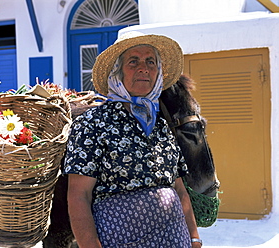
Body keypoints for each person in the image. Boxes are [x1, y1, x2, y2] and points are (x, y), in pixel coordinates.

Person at [63, 31, 202, 248]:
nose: (143, 68)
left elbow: (180, 189)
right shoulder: (93, 123)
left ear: (158, 72)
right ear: (117, 72)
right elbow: (79, 195)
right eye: (133, 61)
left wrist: (194, 238)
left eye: (150, 61)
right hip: (120, 240)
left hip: (174, 239)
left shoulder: (161, 127)